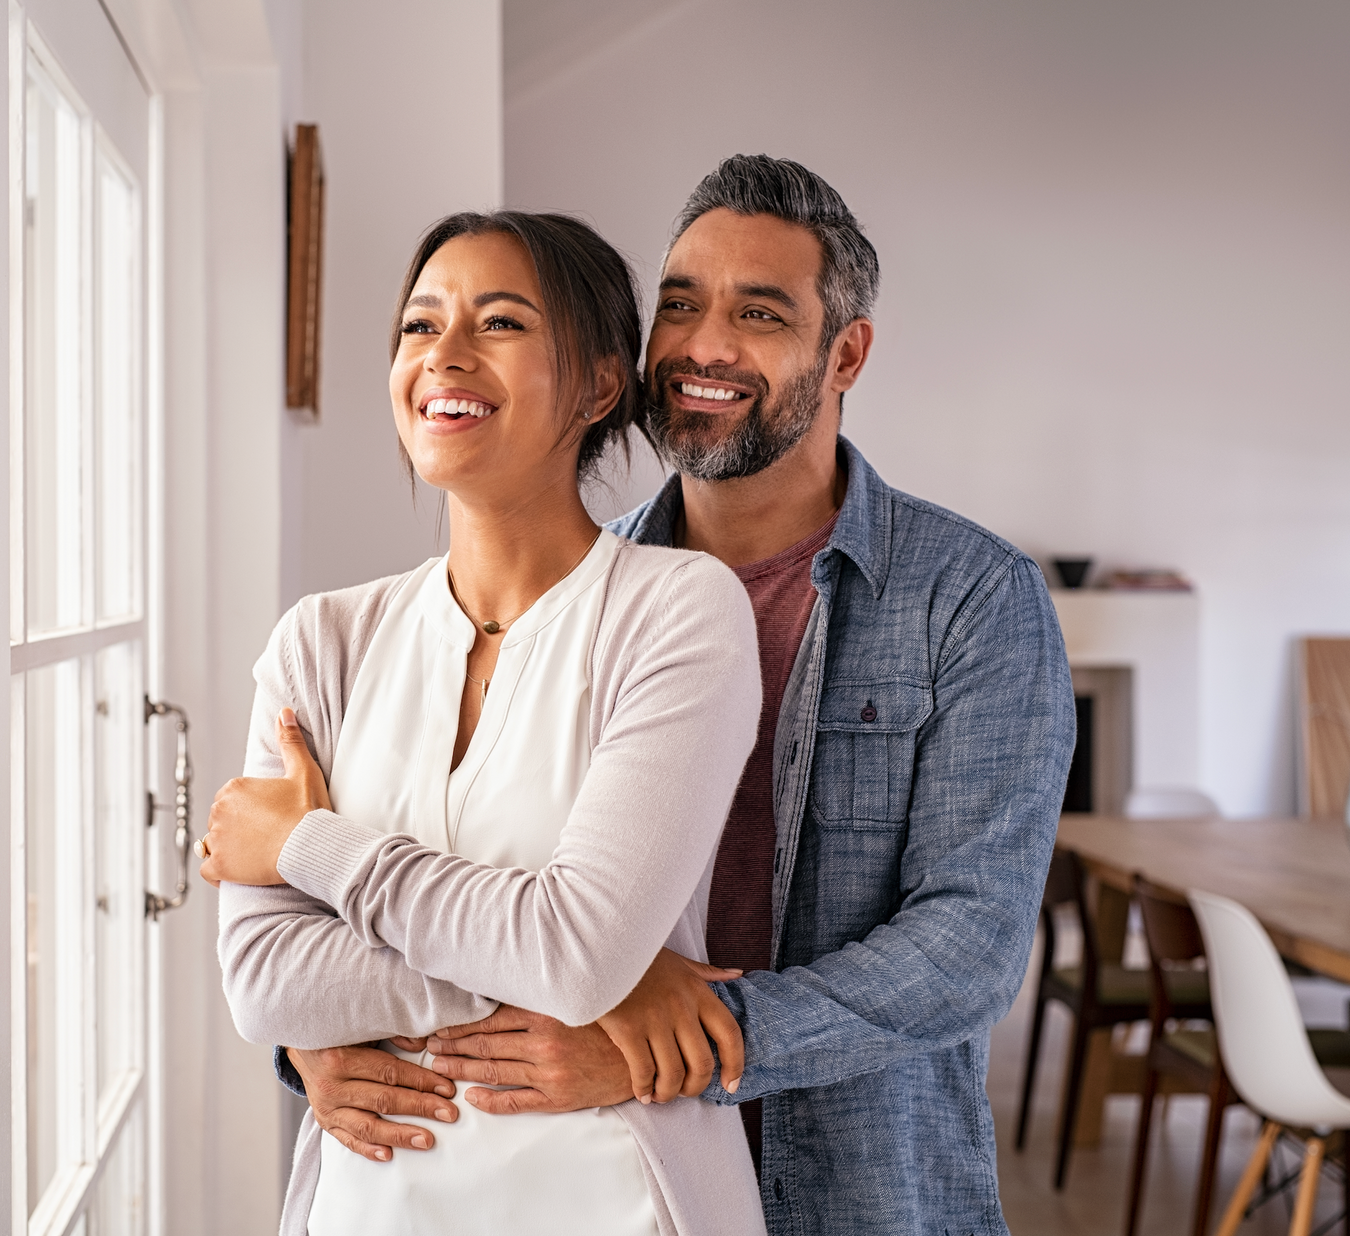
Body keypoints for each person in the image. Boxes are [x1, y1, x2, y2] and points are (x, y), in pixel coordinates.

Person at [281, 156, 1075, 1235]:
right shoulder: (571, 596)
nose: (705, 347)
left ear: (847, 352)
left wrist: (699, 1035)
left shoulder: (970, 597)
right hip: (592, 1180)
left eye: (759, 313)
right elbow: (460, 882)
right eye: (681, 306)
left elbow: (970, 943)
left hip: (862, 1191)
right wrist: (314, 1040)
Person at [201, 211, 769, 1235]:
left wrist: (304, 846)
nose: (443, 356)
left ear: (600, 384)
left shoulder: (679, 611)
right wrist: (580, 973)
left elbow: (577, 950)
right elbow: (263, 984)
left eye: (498, 323)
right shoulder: (319, 643)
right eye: (419, 327)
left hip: (617, 1202)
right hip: (365, 1207)